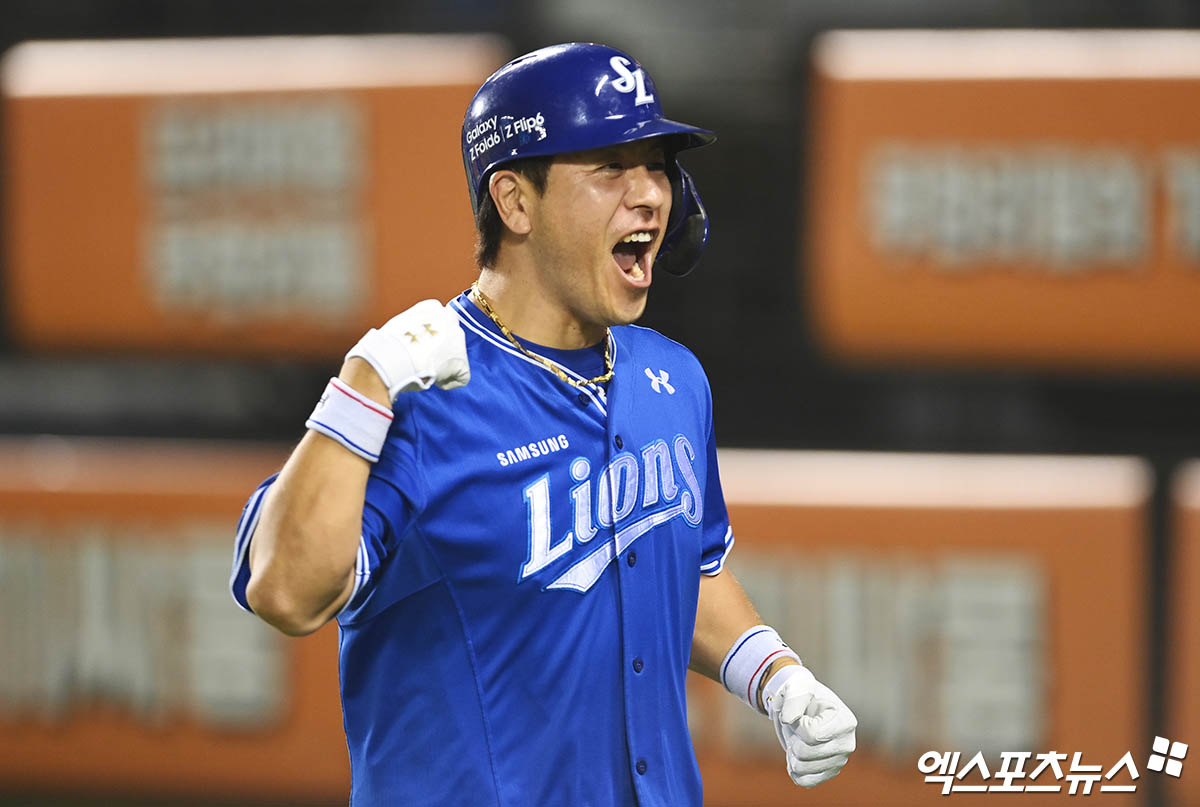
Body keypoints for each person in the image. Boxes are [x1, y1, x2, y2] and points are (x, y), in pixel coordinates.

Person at [229, 42, 856, 806]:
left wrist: (774, 674)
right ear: (515, 200)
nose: (652, 195)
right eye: (609, 167)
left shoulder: (672, 377)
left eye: (656, 164)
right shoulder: (423, 394)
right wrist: (360, 390)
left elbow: (680, 563)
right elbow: (287, 592)